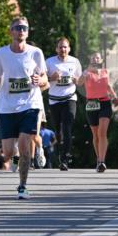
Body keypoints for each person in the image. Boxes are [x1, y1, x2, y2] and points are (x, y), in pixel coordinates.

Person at [0, 17, 48, 199]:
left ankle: (22, 186)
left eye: (24, 28)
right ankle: (14, 156)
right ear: (11, 31)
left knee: (24, 146)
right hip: (7, 107)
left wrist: (40, 80)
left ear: (27, 32)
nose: (21, 30)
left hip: (30, 105)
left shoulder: (35, 53)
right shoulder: (1, 54)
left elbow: (45, 79)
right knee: (7, 153)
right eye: (17, 28)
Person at [45, 37, 81, 170]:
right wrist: (51, 78)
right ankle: (60, 154)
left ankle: (65, 159)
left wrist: (77, 80)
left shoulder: (75, 62)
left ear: (69, 49)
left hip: (69, 98)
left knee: (67, 129)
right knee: (58, 131)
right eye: (60, 47)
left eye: (65, 47)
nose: (63, 49)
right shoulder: (49, 62)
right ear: (56, 49)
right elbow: (42, 81)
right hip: (54, 100)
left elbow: (80, 81)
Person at [78, 51, 116, 172]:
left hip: (105, 103)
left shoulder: (105, 71)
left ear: (101, 60)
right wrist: (85, 72)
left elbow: (108, 85)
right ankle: (98, 159)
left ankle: (102, 161)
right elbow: (79, 83)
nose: (95, 59)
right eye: (93, 57)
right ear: (90, 59)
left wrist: (115, 97)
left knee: (102, 132)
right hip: (91, 104)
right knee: (95, 134)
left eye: (97, 58)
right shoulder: (87, 72)